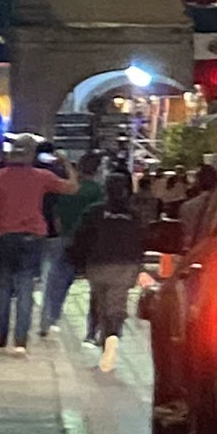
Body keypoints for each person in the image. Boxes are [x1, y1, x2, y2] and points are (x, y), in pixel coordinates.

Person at [75, 167, 149, 375]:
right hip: (126, 265)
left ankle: (102, 336)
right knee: (117, 302)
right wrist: (140, 266)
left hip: (99, 263)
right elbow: (142, 241)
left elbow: (81, 238)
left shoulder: (94, 212)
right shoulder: (134, 216)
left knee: (100, 301)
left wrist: (79, 261)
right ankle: (113, 335)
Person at [0, 145, 54, 347]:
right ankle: (21, 338)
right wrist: (65, 163)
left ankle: (1, 335)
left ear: (8, 157)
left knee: (2, 287)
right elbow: (72, 187)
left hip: (3, 237)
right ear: (29, 157)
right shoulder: (42, 176)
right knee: (26, 287)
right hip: (32, 238)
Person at [41, 155, 99, 334]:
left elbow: (56, 215)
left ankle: (50, 318)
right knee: (96, 288)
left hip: (65, 239)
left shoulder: (68, 190)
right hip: (90, 243)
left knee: (57, 282)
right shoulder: (98, 191)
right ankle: (92, 330)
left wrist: (63, 233)